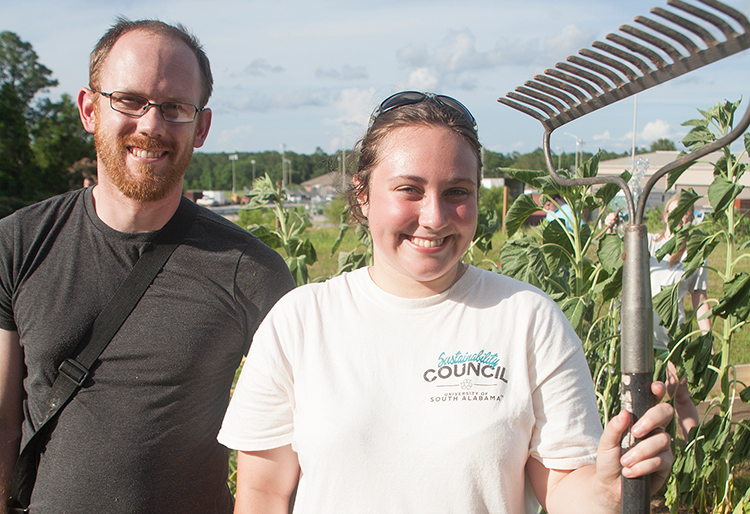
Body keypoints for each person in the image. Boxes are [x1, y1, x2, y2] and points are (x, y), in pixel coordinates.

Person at [217, 91, 673, 514]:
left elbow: (563, 486)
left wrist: (608, 490)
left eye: (457, 192)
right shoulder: (301, 321)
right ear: (363, 194)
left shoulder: (526, 319)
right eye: (409, 189)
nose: (433, 218)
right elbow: (263, 492)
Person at [0, 18, 295, 514]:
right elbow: (3, 422)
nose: (151, 125)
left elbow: (294, 439)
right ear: (90, 110)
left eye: (175, 107)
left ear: (200, 127)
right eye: (129, 101)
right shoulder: (17, 242)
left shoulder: (251, 271)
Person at [649, 195, 712, 438]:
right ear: (665, 215)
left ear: (690, 218)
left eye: (686, 213)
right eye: (675, 213)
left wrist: (706, 338)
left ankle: (692, 450)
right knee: (646, 396)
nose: (680, 218)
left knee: (680, 393)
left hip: (673, 335)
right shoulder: (651, 244)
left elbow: (699, 298)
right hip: (643, 332)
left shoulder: (696, 253)